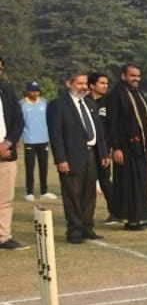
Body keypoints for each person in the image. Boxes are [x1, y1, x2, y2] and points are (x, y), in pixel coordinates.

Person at [47, 71, 109, 243]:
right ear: (69, 84)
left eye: (85, 84)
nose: (83, 87)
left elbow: (99, 131)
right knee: (73, 194)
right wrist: (60, 159)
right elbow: (56, 134)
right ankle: (74, 231)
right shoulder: (58, 105)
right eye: (79, 83)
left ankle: (87, 227)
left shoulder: (89, 104)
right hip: (71, 156)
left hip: (92, 154)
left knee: (89, 193)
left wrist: (103, 152)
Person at [106, 63, 147, 231]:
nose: (136, 79)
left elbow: (144, 122)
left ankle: (144, 216)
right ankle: (132, 220)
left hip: (140, 147)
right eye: (133, 76)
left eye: (138, 76)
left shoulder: (138, 94)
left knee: (142, 183)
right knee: (130, 184)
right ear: (123, 76)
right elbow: (111, 124)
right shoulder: (116, 95)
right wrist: (116, 148)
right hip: (125, 147)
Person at [0, 59, 30, 251]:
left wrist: (8, 142)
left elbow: (18, 120)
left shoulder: (6, 89)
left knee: (4, 199)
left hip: (5, 153)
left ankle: (3, 236)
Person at [87, 72, 116, 224]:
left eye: (107, 83)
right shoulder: (84, 102)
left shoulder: (109, 102)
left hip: (105, 149)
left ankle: (114, 212)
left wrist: (112, 147)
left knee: (105, 181)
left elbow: (113, 127)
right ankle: (86, 217)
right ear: (92, 85)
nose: (105, 86)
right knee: (88, 183)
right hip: (89, 149)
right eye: (102, 83)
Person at [20, 81, 56, 202]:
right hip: (29, 140)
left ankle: (44, 191)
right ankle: (29, 192)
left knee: (44, 166)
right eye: (32, 90)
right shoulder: (22, 104)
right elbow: (18, 122)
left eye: (37, 90)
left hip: (43, 139)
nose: (35, 92)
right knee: (30, 167)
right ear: (27, 91)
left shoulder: (45, 103)